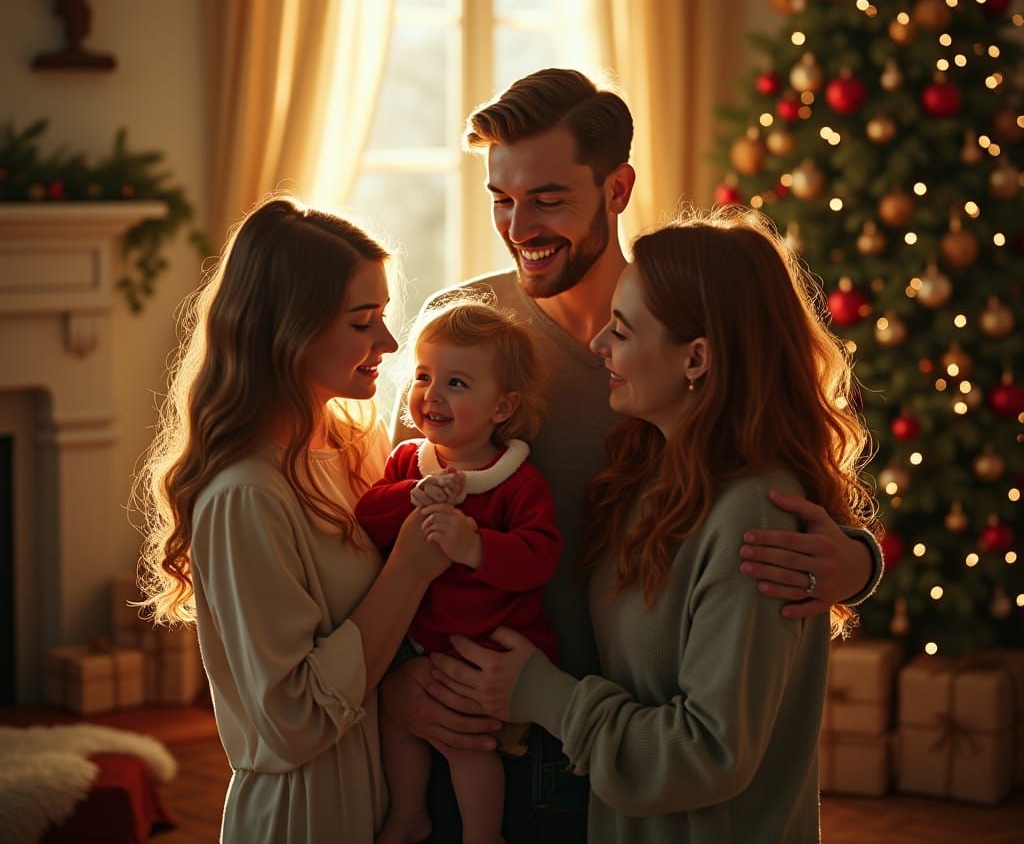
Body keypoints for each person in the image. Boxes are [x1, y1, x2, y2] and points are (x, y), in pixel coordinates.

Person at [383, 69, 883, 843]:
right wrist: (398, 681)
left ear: (617, 188)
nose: (519, 225)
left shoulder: (668, 332)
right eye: (500, 199)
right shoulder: (460, 336)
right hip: (482, 743)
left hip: (621, 754)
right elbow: (396, 527)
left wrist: (855, 560)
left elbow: (766, 496)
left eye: (548, 198)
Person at [137, 195, 450, 843]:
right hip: (309, 813)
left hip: (390, 787)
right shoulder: (244, 495)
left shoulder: (353, 445)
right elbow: (292, 719)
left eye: (383, 317)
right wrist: (410, 568)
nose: (388, 345)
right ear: (289, 330)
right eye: (363, 322)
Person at [356, 300, 562, 844]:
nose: (432, 394)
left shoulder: (516, 482)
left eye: (456, 382)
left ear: (502, 407)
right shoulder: (409, 461)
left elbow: (540, 558)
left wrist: (476, 547)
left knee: (467, 744)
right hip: (422, 647)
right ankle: (407, 814)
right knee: (395, 723)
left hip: (490, 653)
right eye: (424, 376)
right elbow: (368, 517)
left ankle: (481, 833)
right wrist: (411, 496)